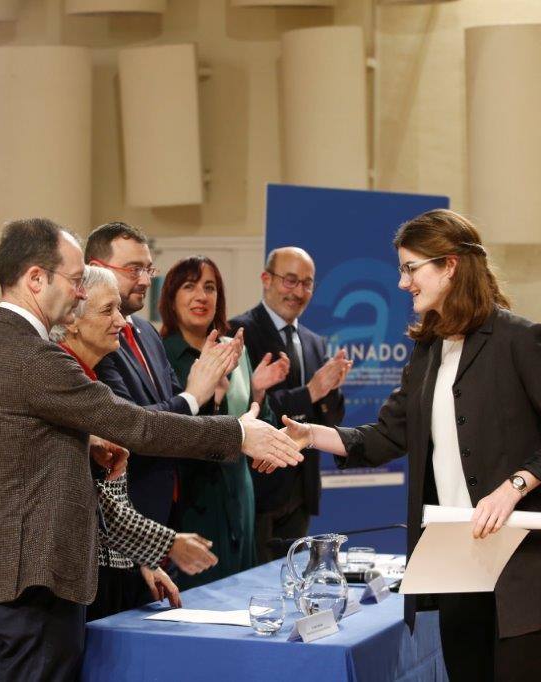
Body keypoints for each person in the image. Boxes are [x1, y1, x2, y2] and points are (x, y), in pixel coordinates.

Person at [0, 218, 303, 681]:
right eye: (76, 281)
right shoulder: (30, 356)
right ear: (35, 278)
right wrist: (237, 434)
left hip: (30, 573)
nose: (80, 293)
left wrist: (83, 446)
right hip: (35, 576)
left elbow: (29, 454)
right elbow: (136, 424)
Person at [279, 209, 541, 681]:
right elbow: (387, 436)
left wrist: (513, 486)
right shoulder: (428, 350)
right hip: (457, 563)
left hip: (523, 562)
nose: (403, 282)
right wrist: (311, 436)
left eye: (411, 268)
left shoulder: (520, 339)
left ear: (450, 265)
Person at [51, 265, 221, 620]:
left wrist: (141, 560)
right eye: (107, 310)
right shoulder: (64, 379)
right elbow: (142, 430)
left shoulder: (90, 375)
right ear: (72, 320)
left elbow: (104, 500)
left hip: (106, 569)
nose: (122, 322)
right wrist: (163, 545)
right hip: (63, 583)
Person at [86, 222, 241, 526]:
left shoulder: (145, 331)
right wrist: (194, 394)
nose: (144, 280)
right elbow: (131, 424)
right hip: (123, 518)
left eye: (148, 269)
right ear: (96, 269)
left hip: (171, 509)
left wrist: (210, 392)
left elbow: (178, 419)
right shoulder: (95, 339)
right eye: (133, 269)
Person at [159, 256, 291, 588]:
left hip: (239, 494)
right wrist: (212, 400)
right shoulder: (161, 355)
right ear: (172, 297)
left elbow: (254, 426)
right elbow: (170, 434)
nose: (201, 296)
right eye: (189, 287)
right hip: (194, 500)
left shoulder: (233, 351)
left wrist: (259, 393)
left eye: (210, 287)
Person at [229, 246, 352, 563]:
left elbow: (331, 417)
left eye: (307, 283)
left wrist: (330, 390)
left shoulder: (314, 341)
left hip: (301, 490)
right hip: (258, 489)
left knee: (295, 582)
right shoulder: (239, 333)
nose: (298, 291)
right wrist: (310, 392)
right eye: (290, 280)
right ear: (266, 279)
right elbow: (246, 408)